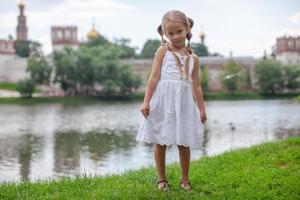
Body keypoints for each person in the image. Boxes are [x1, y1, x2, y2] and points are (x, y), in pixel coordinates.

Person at [136, 10, 207, 192]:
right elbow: (153, 78)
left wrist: (201, 109)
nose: (175, 36)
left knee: (184, 142)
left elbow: (196, 86)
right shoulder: (162, 52)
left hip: (183, 103)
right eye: (171, 33)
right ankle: (161, 179)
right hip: (164, 102)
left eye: (179, 31)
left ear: (187, 29)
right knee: (161, 140)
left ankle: (185, 179)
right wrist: (146, 102)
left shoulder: (194, 59)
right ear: (164, 34)